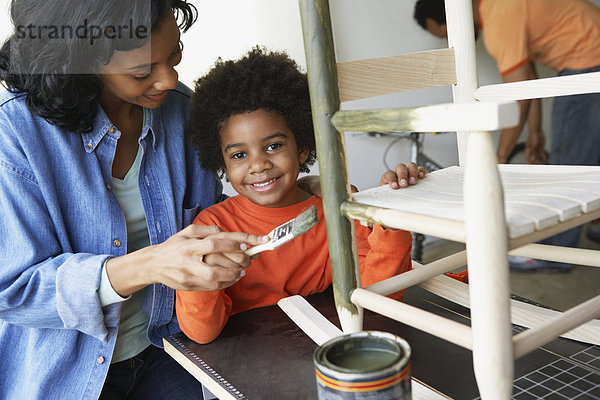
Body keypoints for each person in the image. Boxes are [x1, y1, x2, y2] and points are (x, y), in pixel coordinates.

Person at [0, 1, 285, 399]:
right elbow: (13, 289)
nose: (169, 79)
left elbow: (218, 214)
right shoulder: (14, 134)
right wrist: (151, 264)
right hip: (65, 373)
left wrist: (300, 193)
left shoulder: (183, 112)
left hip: (172, 351)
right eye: (142, 71)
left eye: (174, 54)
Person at [175, 47, 424, 344]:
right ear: (224, 166)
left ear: (302, 147)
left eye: (273, 146)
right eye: (240, 154)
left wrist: (389, 217)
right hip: (244, 361)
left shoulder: (334, 213)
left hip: (325, 343)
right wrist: (203, 275)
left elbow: (380, 295)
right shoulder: (213, 229)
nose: (258, 165)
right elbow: (201, 333)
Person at [414, 0, 600, 270]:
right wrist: (536, 133)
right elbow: (528, 83)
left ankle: (554, 254)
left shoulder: (498, 19)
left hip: (587, 59)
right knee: (589, 149)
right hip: (592, 51)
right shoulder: (498, 6)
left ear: (454, 17)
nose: (452, 40)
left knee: (565, 166)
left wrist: (497, 158)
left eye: (446, 34)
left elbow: (518, 98)